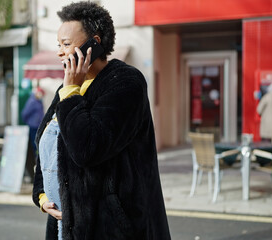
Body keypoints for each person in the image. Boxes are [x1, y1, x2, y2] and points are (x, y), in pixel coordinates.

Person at [32, 2, 171, 240]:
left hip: (112, 229)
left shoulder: (125, 83)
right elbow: (47, 144)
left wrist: (71, 92)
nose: (59, 52)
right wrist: (43, 196)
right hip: (66, 227)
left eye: (66, 44)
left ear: (94, 44)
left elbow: (87, 148)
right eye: (59, 45)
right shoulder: (66, 90)